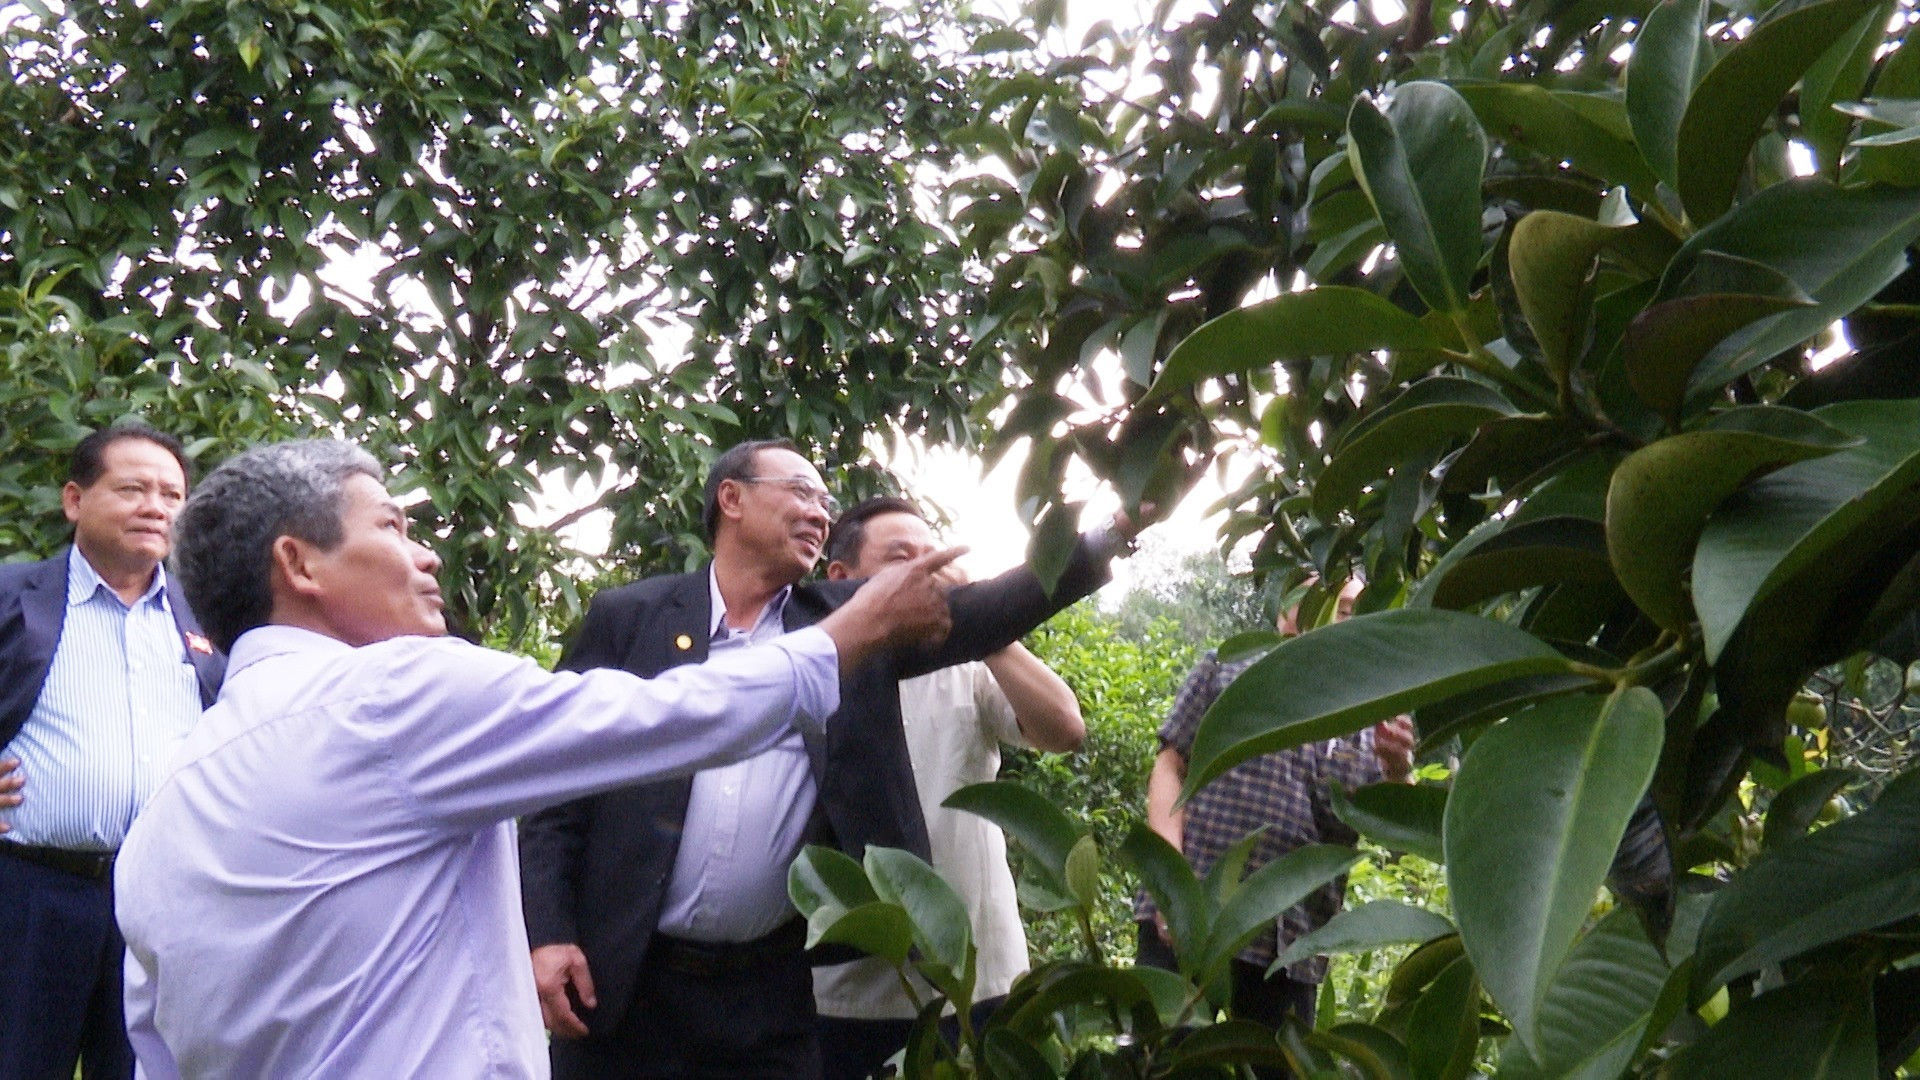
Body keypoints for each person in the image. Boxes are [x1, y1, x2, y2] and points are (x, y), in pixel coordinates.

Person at [112, 439, 963, 1077]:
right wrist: (855, 630)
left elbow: (155, 1050)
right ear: (298, 563)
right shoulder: (391, 698)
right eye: (394, 527)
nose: (426, 553)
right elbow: (662, 715)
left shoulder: (167, 804)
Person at [518, 439, 1142, 1079]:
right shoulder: (632, 618)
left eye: (825, 501)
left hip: (766, 996)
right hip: (626, 983)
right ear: (730, 498)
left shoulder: (848, 625)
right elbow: (556, 780)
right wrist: (547, 931)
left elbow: (988, 610)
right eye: (800, 492)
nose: (820, 512)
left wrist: (1116, 530)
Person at [811, 497, 1086, 1080]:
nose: (922, 569)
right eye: (899, 557)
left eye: (930, 557)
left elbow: (1064, 728)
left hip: (978, 976)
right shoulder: (806, 670)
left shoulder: (969, 665)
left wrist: (983, 627)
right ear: (841, 578)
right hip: (845, 989)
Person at [0, 423, 224, 1080]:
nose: (155, 506)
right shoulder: (14, 599)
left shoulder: (207, 619)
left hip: (160, 899)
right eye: (132, 489)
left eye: (171, 494)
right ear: (75, 499)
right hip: (30, 892)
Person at [1134, 579, 1414, 1050]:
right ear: (1286, 613)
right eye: (1333, 606)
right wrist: (1169, 884)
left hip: (1289, 947)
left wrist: (1397, 769)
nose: (1343, 618)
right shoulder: (1228, 668)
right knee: (1160, 1059)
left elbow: (1400, 842)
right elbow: (1171, 766)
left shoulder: (1373, 713)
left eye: (1353, 611)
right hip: (1187, 918)